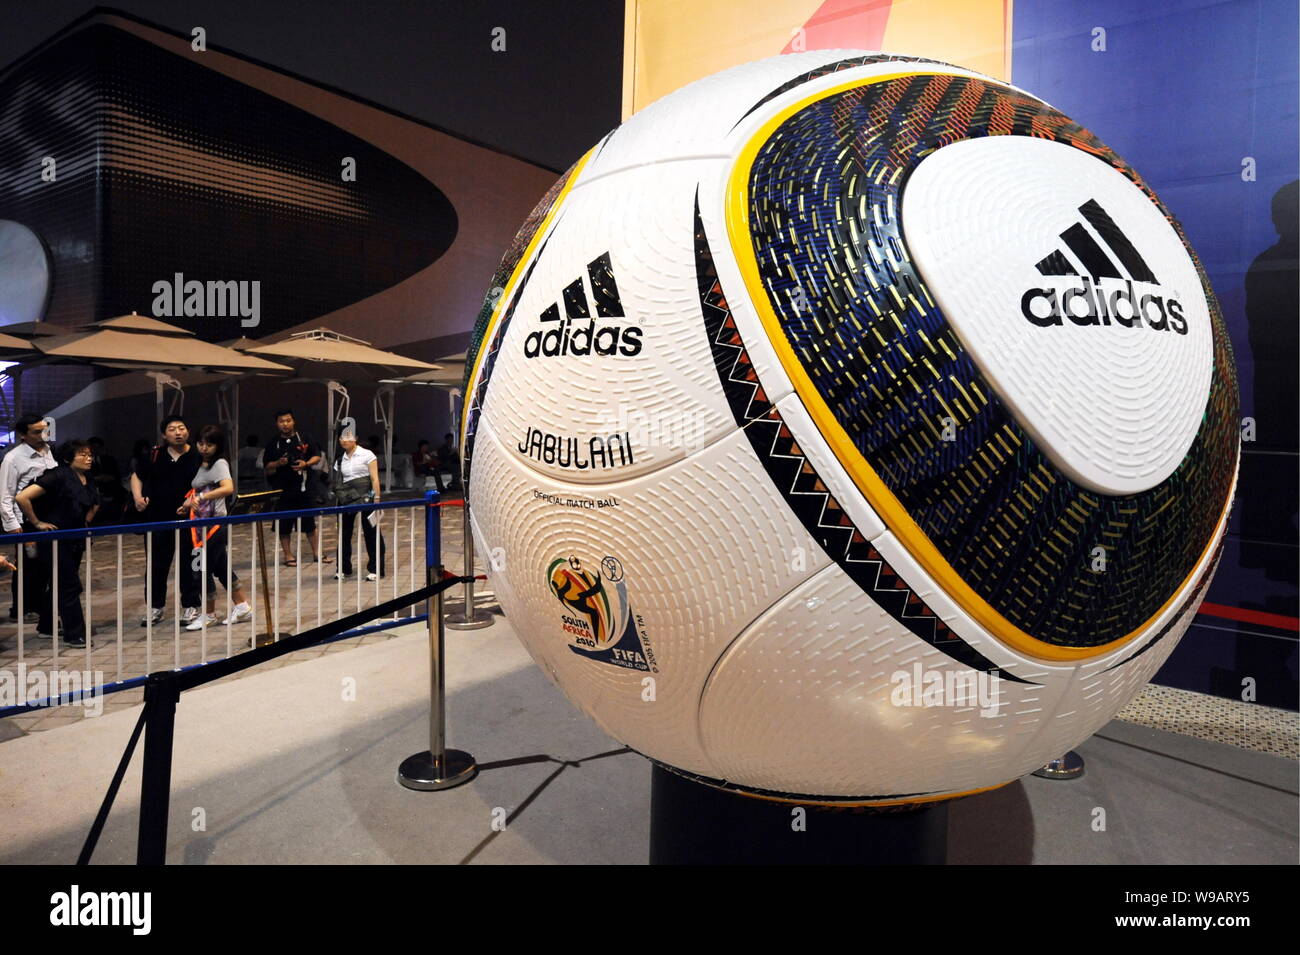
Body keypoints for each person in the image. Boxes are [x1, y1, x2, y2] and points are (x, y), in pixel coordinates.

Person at [17, 440, 100, 647]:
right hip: (55, 539)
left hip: (75, 538)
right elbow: (22, 497)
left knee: (60, 583)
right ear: (67, 458)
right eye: (82, 454)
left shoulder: (86, 477)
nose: (88, 458)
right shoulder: (56, 476)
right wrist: (37, 523)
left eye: (89, 454)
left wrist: (86, 523)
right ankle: (75, 633)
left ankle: (46, 626)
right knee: (68, 584)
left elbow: (93, 503)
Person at [131, 415, 202, 626]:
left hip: (190, 520)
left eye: (181, 428)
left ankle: (190, 605)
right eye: (172, 429)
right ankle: (155, 607)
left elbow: (209, 483)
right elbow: (137, 475)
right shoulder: (154, 455)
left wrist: (193, 499)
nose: (178, 432)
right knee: (156, 565)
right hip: (157, 520)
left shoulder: (198, 455)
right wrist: (137, 498)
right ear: (164, 434)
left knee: (190, 564)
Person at [179, 426, 252, 630]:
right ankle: (242, 606)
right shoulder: (202, 464)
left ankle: (209, 614)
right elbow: (199, 490)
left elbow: (228, 488)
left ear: (217, 446)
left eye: (209, 444)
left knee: (200, 569)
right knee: (221, 569)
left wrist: (201, 497)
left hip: (214, 526)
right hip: (201, 525)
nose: (204, 448)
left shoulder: (219, 463)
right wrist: (188, 503)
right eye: (201, 443)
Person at [0, 414, 57, 622]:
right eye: (36, 431)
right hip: (25, 522)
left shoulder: (49, 451)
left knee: (45, 564)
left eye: (44, 430)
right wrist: (13, 526)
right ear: (23, 435)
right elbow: (6, 495)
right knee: (27, 566)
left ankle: (40, 605)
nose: (42, 435)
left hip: (48, 517)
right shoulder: (13, 459)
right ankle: (21, 609)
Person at [264, 409, 332, 566]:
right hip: (282, 490)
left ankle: (317, 553)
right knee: (284, 524)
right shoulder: (273, 443)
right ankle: (288, 555)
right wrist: (278, 463)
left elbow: (317, 456)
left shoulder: (305, 438)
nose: (285, 424)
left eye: (288, 420)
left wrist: (306, 463)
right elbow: (267, 466)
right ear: (277, 424)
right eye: (281, 421)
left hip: (304, 487)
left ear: (293, 421)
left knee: (310, 522)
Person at [332, 430, 386, 580]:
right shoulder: (339, 460)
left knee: (371, 533)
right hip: (346, 499)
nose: (344, 440)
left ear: (356, 438)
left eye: (348, 437)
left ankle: (376, 569)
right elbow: (338, 482)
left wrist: (377, 499)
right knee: (344, 534)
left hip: (367, 497)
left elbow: (374, 479)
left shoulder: (367, 455)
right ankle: (343, 568)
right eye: (341, 437)